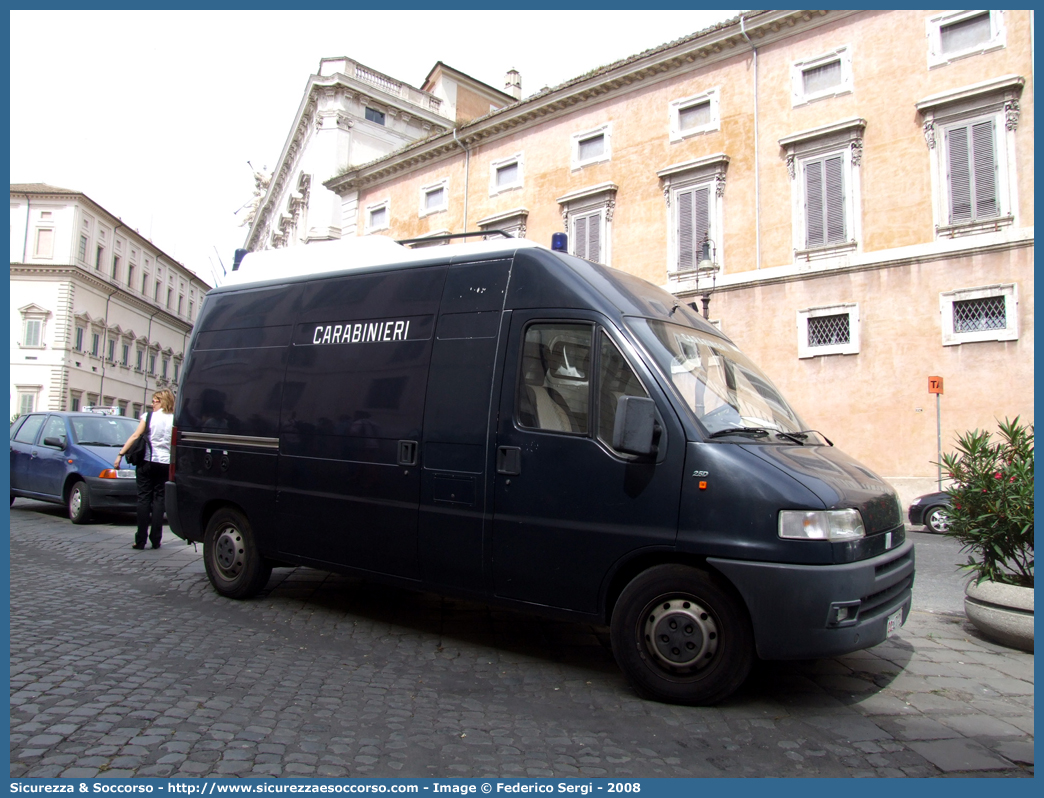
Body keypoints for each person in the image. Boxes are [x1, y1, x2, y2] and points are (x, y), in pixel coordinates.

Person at [115, 389, 175, 550]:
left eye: (155, 400)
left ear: (162, 401)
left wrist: (121, 454)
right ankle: (156, 539)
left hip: (148, 461)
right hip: (166, 463)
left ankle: (140, 540)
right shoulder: (175, 419)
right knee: (159, 500)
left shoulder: (149, 417)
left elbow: (135, 436)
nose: (152, 403)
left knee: (143, 499)